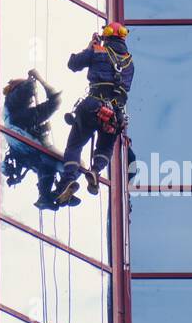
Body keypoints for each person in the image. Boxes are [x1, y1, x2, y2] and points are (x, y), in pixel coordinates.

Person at [54, 22, 137, 204]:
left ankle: (68, 179)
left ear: (106, 35)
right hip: (115, 115)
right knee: (105, 147)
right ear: (123, 37)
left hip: (92, 105)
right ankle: (96, 171)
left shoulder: (98, 50)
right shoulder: (130, 63)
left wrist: (90, 46)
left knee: (75, 145)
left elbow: (73, 64)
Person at [1, 69, 80, 210]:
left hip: (26, 152)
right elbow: (54, 101)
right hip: (32, 147)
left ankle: (46, 197)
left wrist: (41, 129)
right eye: (30, 99)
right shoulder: (19, 109)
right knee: (74, 166)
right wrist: (38, 80)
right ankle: (61, 189)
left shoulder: (11, 116)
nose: (31, 100)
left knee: (46, 168)